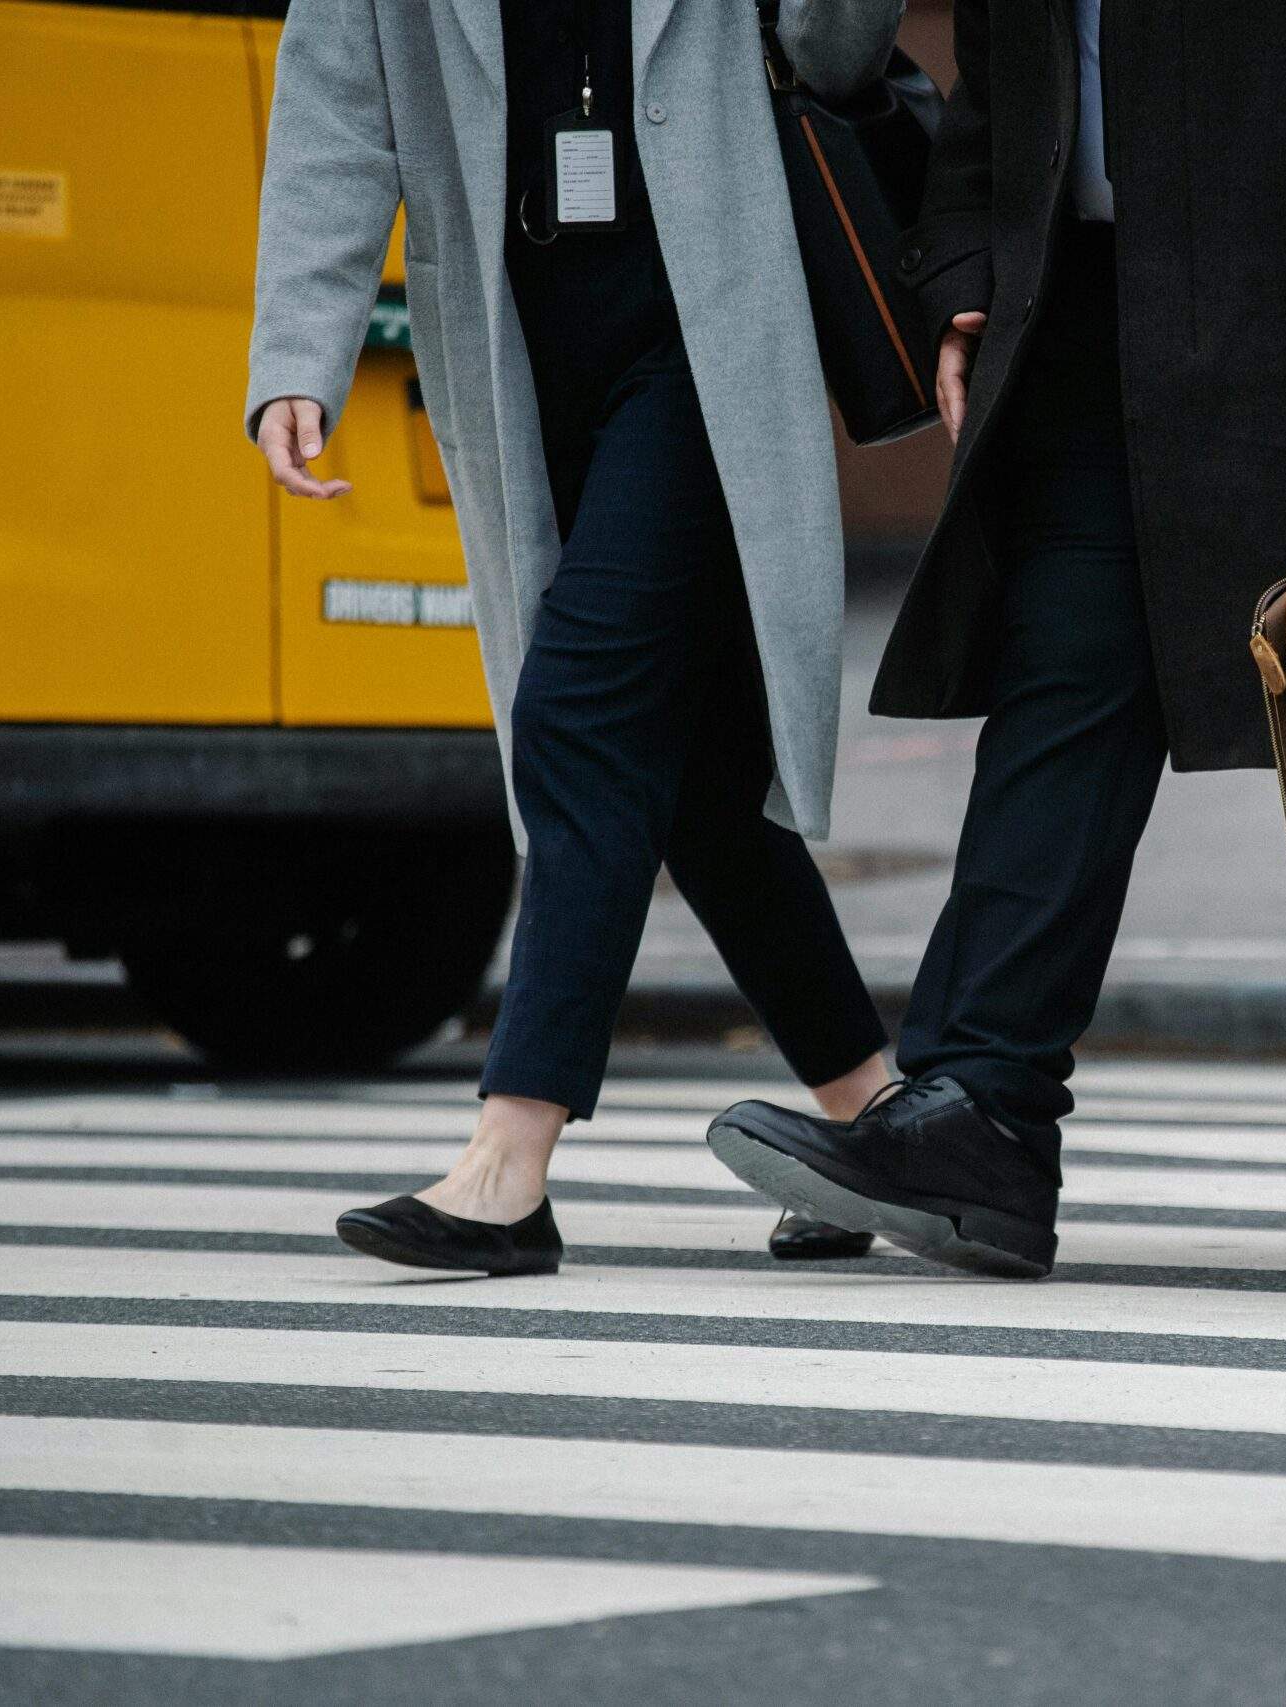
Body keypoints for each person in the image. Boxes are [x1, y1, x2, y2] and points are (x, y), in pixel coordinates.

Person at [710, 0, 1286, 1279]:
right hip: (1084, 311)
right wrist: (966, 264)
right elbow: (1002, 58)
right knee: (1066, 687)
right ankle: (981, 1109)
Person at [246, 0, 906, 1276]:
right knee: (702, 789)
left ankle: (510, 1157)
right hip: (515, 335)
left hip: (703, 330)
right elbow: (335, 97)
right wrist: (298, 353)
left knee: (580, 714)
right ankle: (874, 1118)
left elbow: (837, 50)